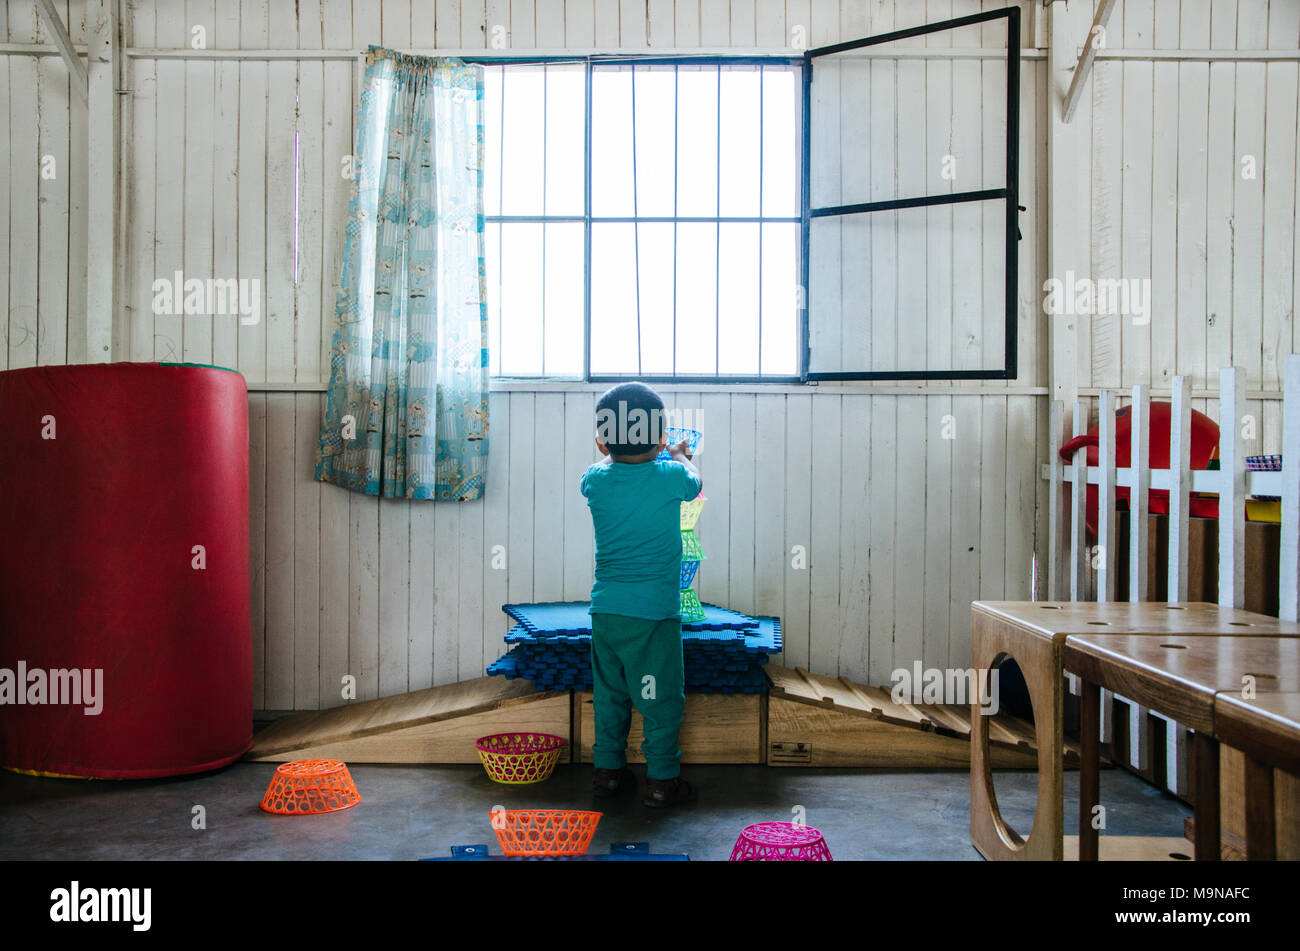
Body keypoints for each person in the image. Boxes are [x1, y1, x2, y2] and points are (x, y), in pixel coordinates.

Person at [579, 382, 702, 808]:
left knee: (610, 695)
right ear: (662, 438)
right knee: (659, 697)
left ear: (601, 440)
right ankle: (662, 781)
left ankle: (608, 774)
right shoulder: (671, 474)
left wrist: (616, 452)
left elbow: (608, 470)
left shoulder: (594, 480)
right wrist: (679, 453)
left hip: (607, 612)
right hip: (653, 616)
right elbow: (694, 483)